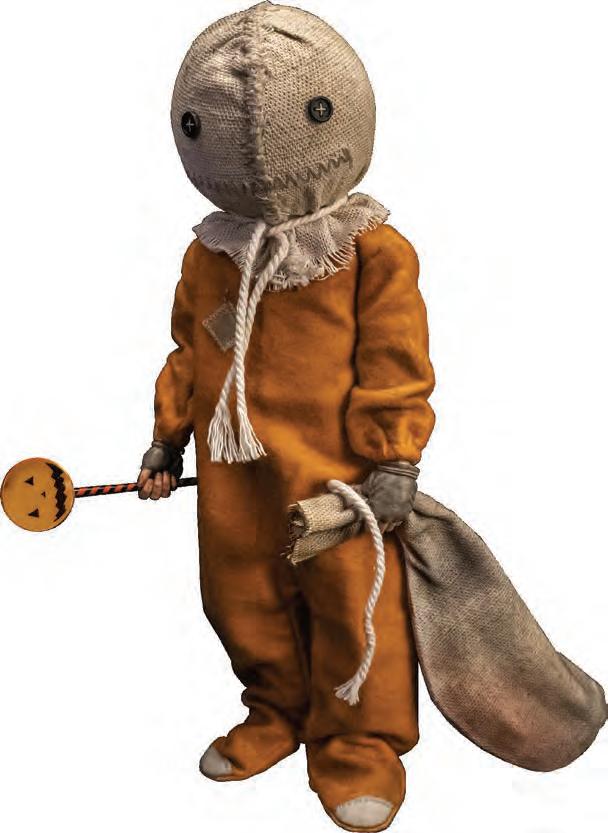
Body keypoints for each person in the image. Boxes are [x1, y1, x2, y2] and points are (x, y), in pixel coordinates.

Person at [137, 4, 435, 830]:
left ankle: (358, 740)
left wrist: (396, 456)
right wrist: (166, 436)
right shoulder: (210, 253)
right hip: (232, 471)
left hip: (337, 473)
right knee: (240, 594)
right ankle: (277, 709)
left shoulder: (368, 251)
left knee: (351, 601)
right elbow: (191, 350)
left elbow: (396, 357)